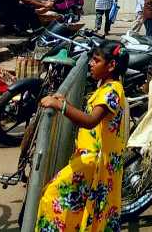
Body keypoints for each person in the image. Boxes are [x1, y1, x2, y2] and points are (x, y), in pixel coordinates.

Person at [36, 43, 130, 232]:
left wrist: (59, 106)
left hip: (95, 161)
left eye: (96, 61)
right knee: (89, 210)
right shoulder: (105, 85)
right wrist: (67, 103)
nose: (91, 64)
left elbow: (90, 121)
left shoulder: (112, 90)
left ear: (111, 66)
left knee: (52, 195)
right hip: (93, 160)